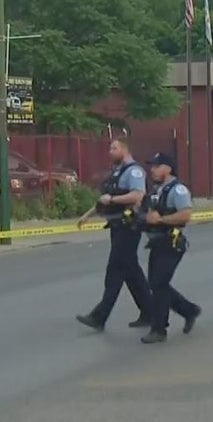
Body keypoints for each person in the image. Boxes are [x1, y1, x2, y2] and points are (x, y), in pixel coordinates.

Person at [75, 138, 153, 331]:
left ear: (125, 150)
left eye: (114, 148)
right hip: (118, 226)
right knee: (131, 271)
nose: (110, 151)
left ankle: (99, 316)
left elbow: (137, 195)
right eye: (110, 147)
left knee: (115, 271)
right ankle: (150, 312)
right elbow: (105, 199)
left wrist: (113, 199)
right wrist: (87, 216)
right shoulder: (117, 172)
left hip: (130, 226)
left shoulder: (134, 171)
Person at [138, 152, 202, 344]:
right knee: (157, 284)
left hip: (171, 243)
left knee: (158, 284)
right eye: (152, 166)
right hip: (157, 242)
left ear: (168, 168)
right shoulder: (157, 190)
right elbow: (148, 213)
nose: (153, 170)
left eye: (157, 166)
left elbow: (185, 215)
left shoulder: (178, 190)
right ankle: (189, 310)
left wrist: (162, 219)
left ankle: (159, 329)